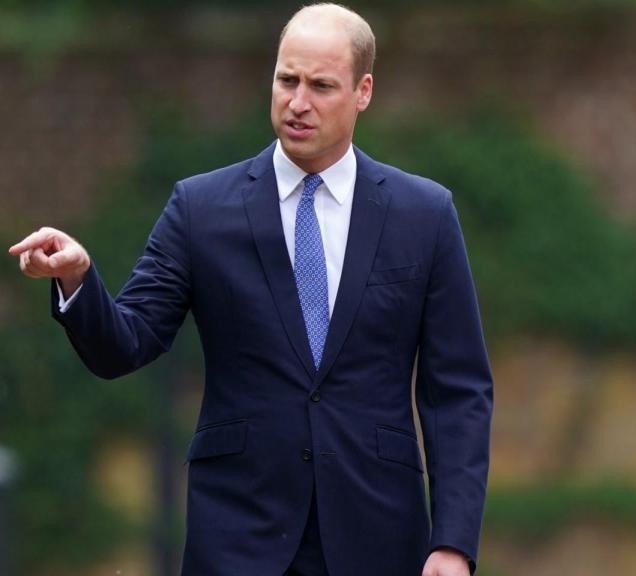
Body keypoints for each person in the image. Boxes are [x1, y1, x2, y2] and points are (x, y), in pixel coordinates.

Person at [9, 4, 492, 576]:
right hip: (238, 535)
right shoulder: (201, 208)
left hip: (379, 534)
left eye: (321, 85)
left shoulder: (424, 214)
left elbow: (457, 390)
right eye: (287, 79)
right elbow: (126, 343)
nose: (298, 102)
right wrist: (77, 279)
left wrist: (453, 542)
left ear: (363, 92)